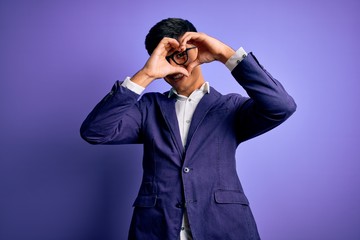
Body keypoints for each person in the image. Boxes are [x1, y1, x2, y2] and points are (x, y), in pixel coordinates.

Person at [80, 18, 296, 240]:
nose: (174, 65)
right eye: (165, 58)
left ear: (195, 50)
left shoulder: (230, 108)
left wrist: (224, 54)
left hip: (224, 228)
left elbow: (281, 106)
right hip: (156, 230)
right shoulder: (148, 108)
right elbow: (95, 131)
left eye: (181, 54)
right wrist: (146, 74)